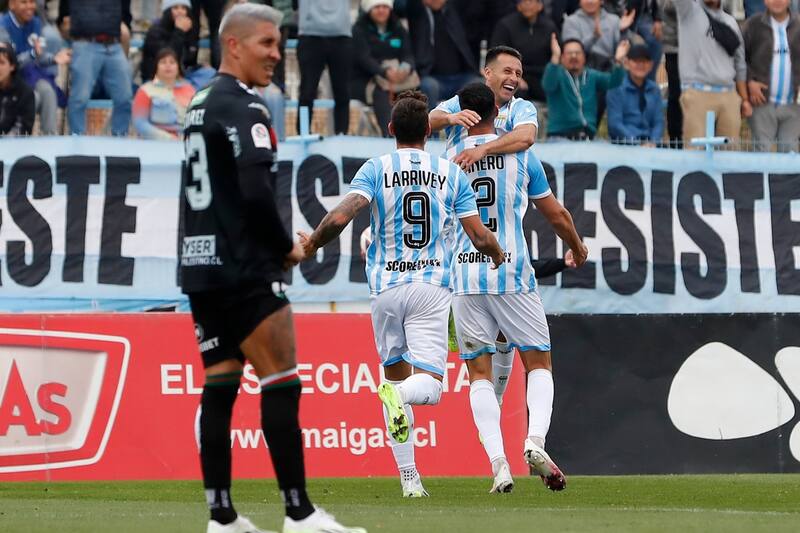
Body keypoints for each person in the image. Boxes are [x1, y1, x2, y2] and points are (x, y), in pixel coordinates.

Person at [179, 5, 366, 533]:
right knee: (282, 381)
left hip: (201, 269)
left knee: (219, 386)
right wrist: (286, 247)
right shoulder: (246, 106)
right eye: (265, 43)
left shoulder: (197, 103)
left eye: (279, 43)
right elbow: (257, 191)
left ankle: (221, 518)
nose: (275, 54)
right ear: (232, 45)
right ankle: (300, 515)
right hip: (245, 267)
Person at [298, 90, 504, 498]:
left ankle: (410, 479)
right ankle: (398, 398)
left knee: (392, 375)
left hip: (385, 290)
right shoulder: (449, 173)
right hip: (428, 288)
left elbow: (343, 214)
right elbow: (478, 235)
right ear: (429, 130)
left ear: (390, 129)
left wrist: (313, 244)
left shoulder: (377, 167)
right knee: (427, 387)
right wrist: (497, 252)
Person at [446, 82, 587, 494]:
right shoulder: (523, 157)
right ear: (496, 109)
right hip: (511, 274)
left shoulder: (448, 161)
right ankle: (534, 441)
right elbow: (556, 215)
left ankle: (498, 465)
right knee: (539, 364)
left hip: (465, 279)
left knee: (479, 376)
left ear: (465, 113)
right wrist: (576, 246)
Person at [430, 46, 538, 168]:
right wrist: (449, 118)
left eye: (518, 74)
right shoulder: (463, 100)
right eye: (507, 71)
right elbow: (429, 121)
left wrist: (483, 149)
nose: (514, 78)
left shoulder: (521, 107)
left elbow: (526, 137)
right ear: (488, 73)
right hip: (460, 180)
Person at [674, 0, 750, 146]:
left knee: (730, 152)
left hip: (729, 95)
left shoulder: (731, 22)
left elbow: (740, 63)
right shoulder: (688, 11)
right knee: (695, 152)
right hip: (697, 93)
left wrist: (744, 99)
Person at [59, 0, 133, 136]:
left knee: (125, 97)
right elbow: (63, 19)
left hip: (114, 44)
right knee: (80, 97)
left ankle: (120, 139)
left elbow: (126, 16)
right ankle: (76, 139)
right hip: (85, 42)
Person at [0, 0, 71, 135]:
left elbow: (38, 54)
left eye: (32, 2)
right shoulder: (2, 26)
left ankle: (49, 139)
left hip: (28, 75)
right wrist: (32, 54)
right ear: (11, 5)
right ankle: (20, 138)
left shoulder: (36, 23)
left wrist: (54, 59)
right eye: (24, 2)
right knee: (33, 98)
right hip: (8, 81)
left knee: (48, 91)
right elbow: (9, 63)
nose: (30, 6)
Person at [351, 0, 418, 137]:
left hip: (398, 78)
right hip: (366, 80)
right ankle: (390, 135)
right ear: (368, 9)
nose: (381, 10)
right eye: (377, 7)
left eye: (384, 7)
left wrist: (405, 69)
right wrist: (384, 72)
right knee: (381, 92)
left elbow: (408, 54)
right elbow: (364, 59)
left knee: (414, 94)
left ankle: (416, 134)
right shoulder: (359, 30)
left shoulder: (398, 28)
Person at [542, 36, 628, 139]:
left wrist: (618, 61)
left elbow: (614, 82)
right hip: (560, 137)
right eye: (569, 53)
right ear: (562, 57)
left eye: (577, 53)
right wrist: (555, 58)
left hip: (588, 138)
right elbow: (548, 85)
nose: (574, 56)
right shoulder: (556, 73)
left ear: (584, 57)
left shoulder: (592, 75)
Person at [743, 0, 800, 153]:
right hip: (762, 104)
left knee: (790, 156)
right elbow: (740, 59)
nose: (777, 1)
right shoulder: (753, 25)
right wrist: (750, 81)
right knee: (761, 156)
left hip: (793, 106)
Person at [398, 0, 478, 107]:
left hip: (462, 77)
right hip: (434, 78)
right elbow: (399, 5)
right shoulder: (418, 14)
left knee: (478, 84)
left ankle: (472, 123)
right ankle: (430, 123)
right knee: (428, 86)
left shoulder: (456, 11)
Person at [296, 0, 352, 135]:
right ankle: (303, 132)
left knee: (342, 92)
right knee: (307, 92)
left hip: (341, 36)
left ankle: (342, 134)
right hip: (310, 35)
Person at [490, 0, 558, 103]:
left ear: (540, 6)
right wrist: (515, 77)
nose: (527, 5)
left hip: (541, 75)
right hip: (515, 74)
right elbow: (497, 54)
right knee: (516, 93)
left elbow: (557, 53)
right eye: (523, 2)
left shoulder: (549, 26)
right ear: (518, 6)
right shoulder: (506, 25)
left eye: (531, 1)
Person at [142, 0, 216, 90]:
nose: (180, 11)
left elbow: (189, 61)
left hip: (182, 75)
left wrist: (199, 66)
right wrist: (179, 32)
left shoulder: (189, 29)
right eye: (175, 8)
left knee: (210, 73)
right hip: (159, 77)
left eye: (183, 8)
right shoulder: (156, 32)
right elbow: (168, 57)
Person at [606, 43, 664, 145]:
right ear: (627, 63)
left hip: (650, 146)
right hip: (623, 145)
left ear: (651, 65)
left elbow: (658, 122)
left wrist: (653, 142)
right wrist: (636, 142)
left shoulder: (655, 90)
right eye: (636, 61)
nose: (641, 65)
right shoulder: (616, 87)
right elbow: (615, 124)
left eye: (645, 61)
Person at [132, 47, 195, 139]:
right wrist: (168, 138)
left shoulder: (189, 90)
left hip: (186, 142)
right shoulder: (145, 90)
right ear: (156, 67)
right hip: (155, 143)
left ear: (178, 67)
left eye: (172, 62)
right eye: (163, 62)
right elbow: (140, 123)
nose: (168, 66)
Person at [561, 0, 634, 71]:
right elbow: (572, 52)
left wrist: (623, 32)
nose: (589, 1)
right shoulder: (571, 21)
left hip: (608, 68)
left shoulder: (613, 20)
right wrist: (594, 37)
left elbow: (621, 50)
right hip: (582, 70)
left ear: (602, 1)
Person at [0, 41, 34, 135]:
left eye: (2, 63)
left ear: (12, 66)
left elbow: (22, 129)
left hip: (12, 147)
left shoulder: (25, 92)